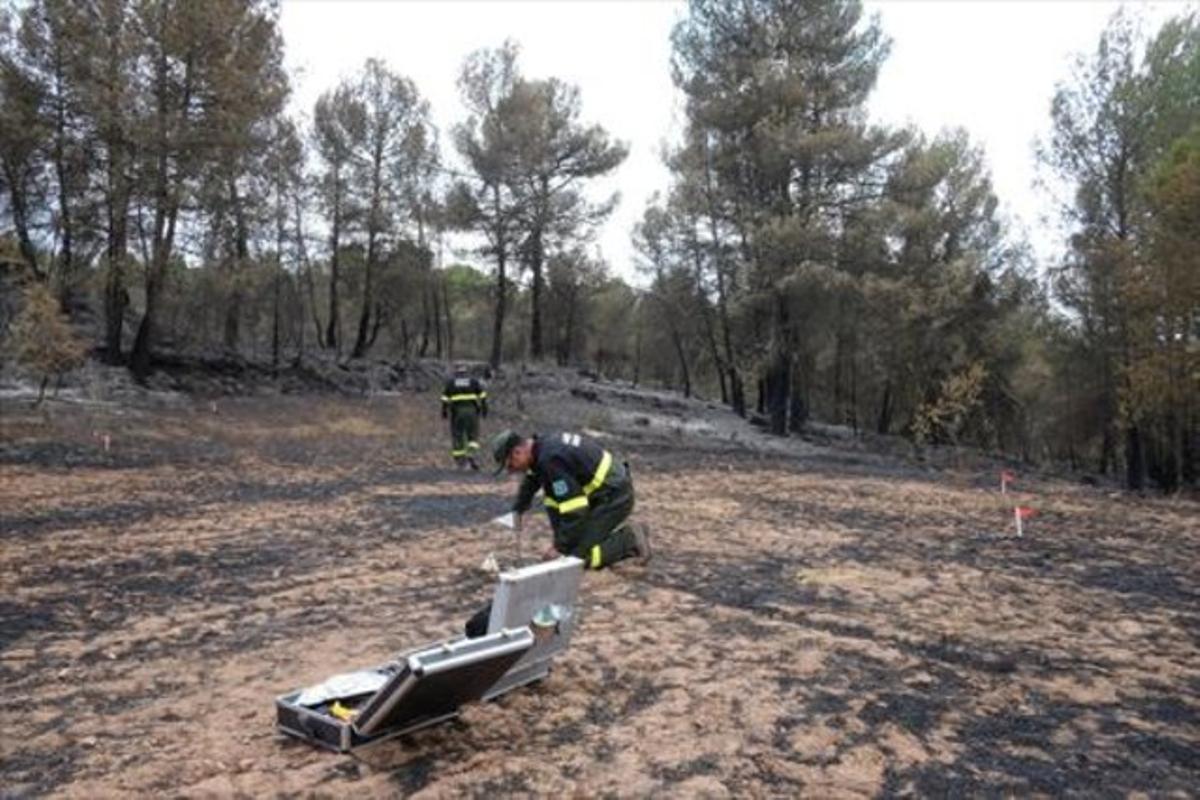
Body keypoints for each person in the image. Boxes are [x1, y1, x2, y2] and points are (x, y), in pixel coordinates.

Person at [489, 429, 652, 570]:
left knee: (575, 561)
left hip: (615, 497)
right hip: (600, 493)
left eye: (510, 465)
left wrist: (560, 547)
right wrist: (518, 509)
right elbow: (532, 479)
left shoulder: (551, 460)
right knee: (553, 500)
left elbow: (574, 509)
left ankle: (630, 538)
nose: (511, 471)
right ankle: (574, 544)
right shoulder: (540, 448)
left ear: (518, 451)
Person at [441, 364, 487, 470]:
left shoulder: (451, 383)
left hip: (457, 413)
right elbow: (483, 396)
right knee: (473, 435)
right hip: (472, 412)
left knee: (458, 435)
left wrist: (444, 411)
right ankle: (471, 454)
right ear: (466, 373)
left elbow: (444, 398)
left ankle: (460, 460)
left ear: (457, 373)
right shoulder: (473, 382)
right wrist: (484, 409)